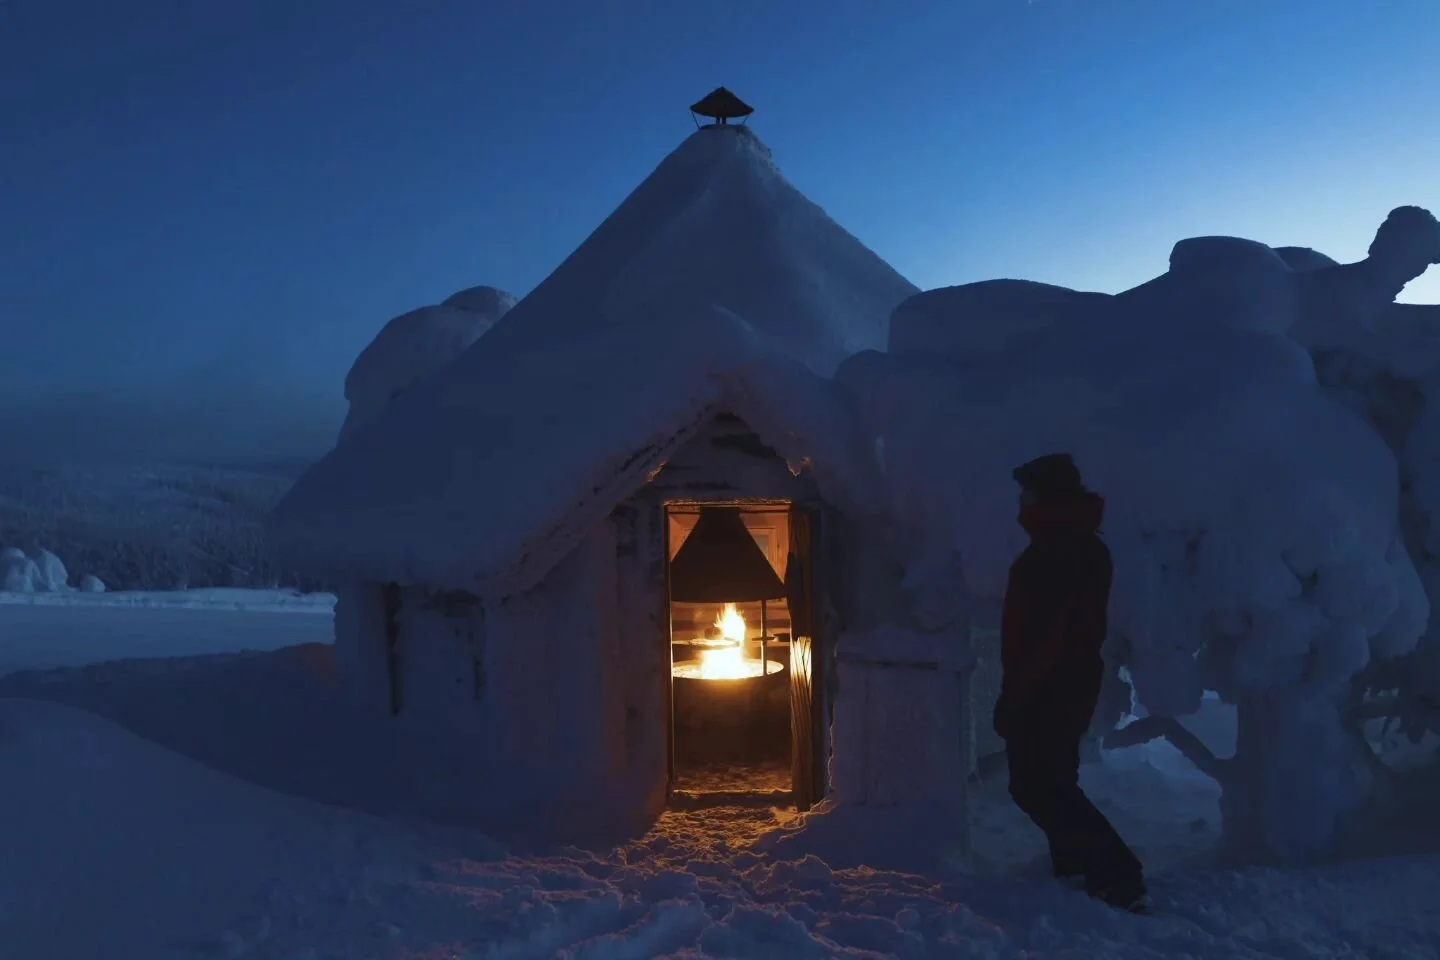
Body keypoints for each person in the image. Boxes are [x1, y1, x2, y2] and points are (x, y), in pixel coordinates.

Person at [993, 453, 1147, 912]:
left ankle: (1118, 874)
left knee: (1037, 784)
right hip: (1068, 682)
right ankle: (1077, 866)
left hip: (1051, 685)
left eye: (1028, 494)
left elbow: (1047, 636)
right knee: (1053, 777)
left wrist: (1017, 696)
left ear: (1045, 497)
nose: (1021, 504)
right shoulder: (1077, 545)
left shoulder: (1056, 553)